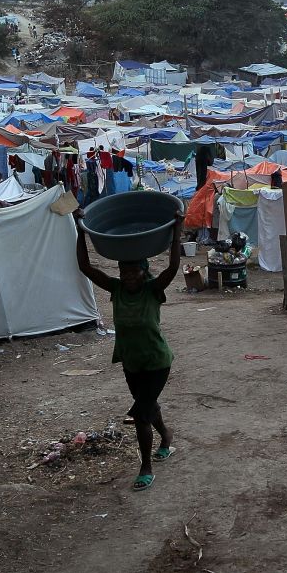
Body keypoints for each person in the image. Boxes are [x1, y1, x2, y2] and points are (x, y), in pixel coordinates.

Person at [73, 208, 183, 492]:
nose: (129, 276)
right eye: (124, 272)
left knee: (140, 414)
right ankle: (167, 437)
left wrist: (177, 229)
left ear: (144, 271)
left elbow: (172, 268)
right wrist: (80, 229)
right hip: (132, 364)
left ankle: (145, 467)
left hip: (157, 362)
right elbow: (86, 268)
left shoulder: (152, 290)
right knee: (148, 407)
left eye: (134, 271)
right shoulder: (116, 289)